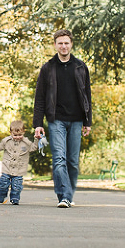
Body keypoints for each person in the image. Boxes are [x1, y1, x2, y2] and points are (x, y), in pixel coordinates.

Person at [33, 29, 92, 208]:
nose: (63, 46)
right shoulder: (48, 67)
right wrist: (38, 124)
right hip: (56, 119)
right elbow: (40, 97)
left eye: (66, 43)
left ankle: (68, 193)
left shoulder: (80, 67)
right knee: (59, 158)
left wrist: (87, 121)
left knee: (72, 162)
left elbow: (87, 95)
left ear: (71, 44)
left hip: (76, 120)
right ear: (55, 45)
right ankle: (64, 196)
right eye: (60, 43)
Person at [0, 120, 38, 205]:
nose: (17, 137)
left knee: (17, 186)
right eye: (15, 135)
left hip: (19, 170)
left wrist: (36, 139)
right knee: (3, 184)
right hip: (7, 168)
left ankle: (14, 198)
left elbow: (33, 148)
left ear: (23, 132)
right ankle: (3, 195)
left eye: (20, 135)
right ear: (10, 132)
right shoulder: (6, 141)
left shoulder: (26, 142)